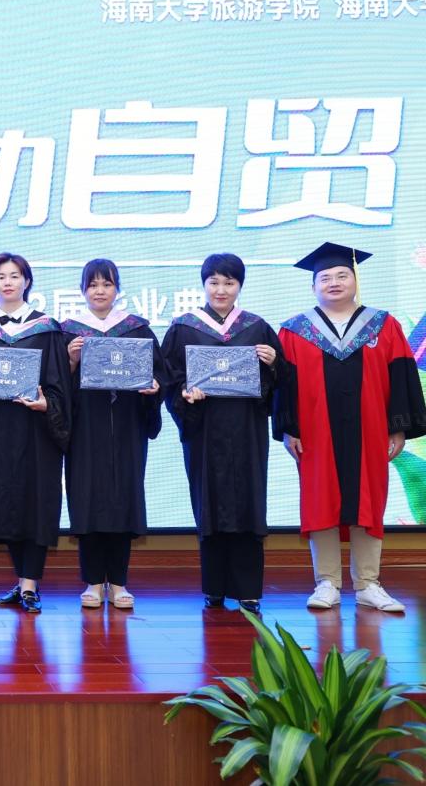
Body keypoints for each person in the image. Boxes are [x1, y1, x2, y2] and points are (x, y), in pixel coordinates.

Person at [275, 243, 426, 612]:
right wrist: (288, 428)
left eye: (342, 275)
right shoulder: (295, 331)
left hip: (370, 431)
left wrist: (398, 427)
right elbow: (284, 386)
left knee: (368, 500)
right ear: (313, 286)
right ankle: (326, 582)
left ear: (355, 279)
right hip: (315, 434)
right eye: (325, 277)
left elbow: (401, 378)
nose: (334, 282)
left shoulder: (384, 325)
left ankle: (368, 584)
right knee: (320, 500)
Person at [161, 253, 282, 615]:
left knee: (248, 503)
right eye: (214, 282)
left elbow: (281, 383)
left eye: (229, 282)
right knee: (209, 503)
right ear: (204, 285)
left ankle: (248, 590)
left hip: (246, 432)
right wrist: (185, 394)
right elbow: (169, 377)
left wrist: (274, 363)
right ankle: (214, 587)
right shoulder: (184, 327)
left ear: (239, 285)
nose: (221, 290)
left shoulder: (257, 327)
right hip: (205, 430)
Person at [0, 253, 71, 614]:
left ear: (27, 281)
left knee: (36, 501)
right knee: (6, 502)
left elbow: (59, 382)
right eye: (0, 276)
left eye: (14, 276)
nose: (7, 282)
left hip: (36, 428)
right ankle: (23, 580)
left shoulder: (48, 328)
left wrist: (47, 405)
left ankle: (29, 583)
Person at [61, 259, 164, 610]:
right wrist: (70, 361)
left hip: (126, 427)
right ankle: (92, 582)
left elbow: (159, 373)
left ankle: (118, 583)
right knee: (87, 500)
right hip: (85, 430)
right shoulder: (69, 332)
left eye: (107, 284)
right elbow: (54, 382)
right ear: (82, 290)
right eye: (92, 285)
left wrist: (154, 387)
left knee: (123, 500)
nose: (100, 291)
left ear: (118, 289)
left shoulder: (137, 329)